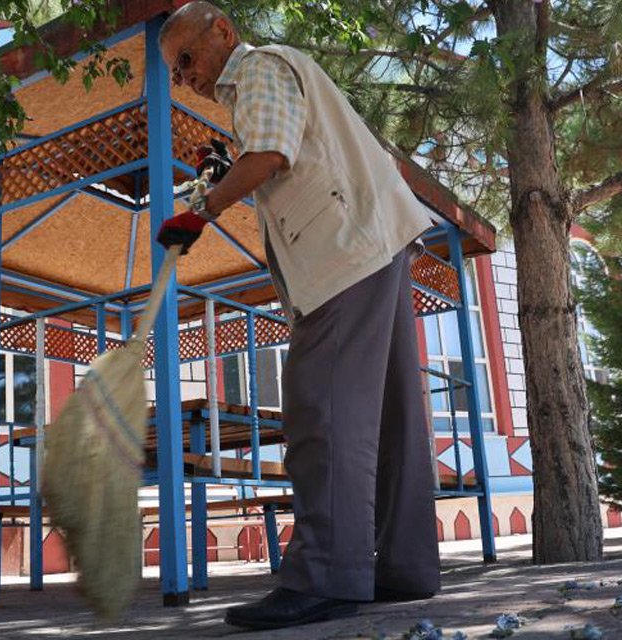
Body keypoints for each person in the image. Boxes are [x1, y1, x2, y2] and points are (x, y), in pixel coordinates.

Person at [155, 2, 441, 630]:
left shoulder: (256, 69)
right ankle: (404, 567)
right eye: (175, 73)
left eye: (184, 60)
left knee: (321, 410)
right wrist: (223, 172)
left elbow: (270, 158)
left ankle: (324, 578)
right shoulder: (277, 77)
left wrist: (196, 212)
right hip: (378, 242)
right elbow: (268, 153)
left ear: (222, 30)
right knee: (392, 417)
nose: (185, 78)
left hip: (344, 252)